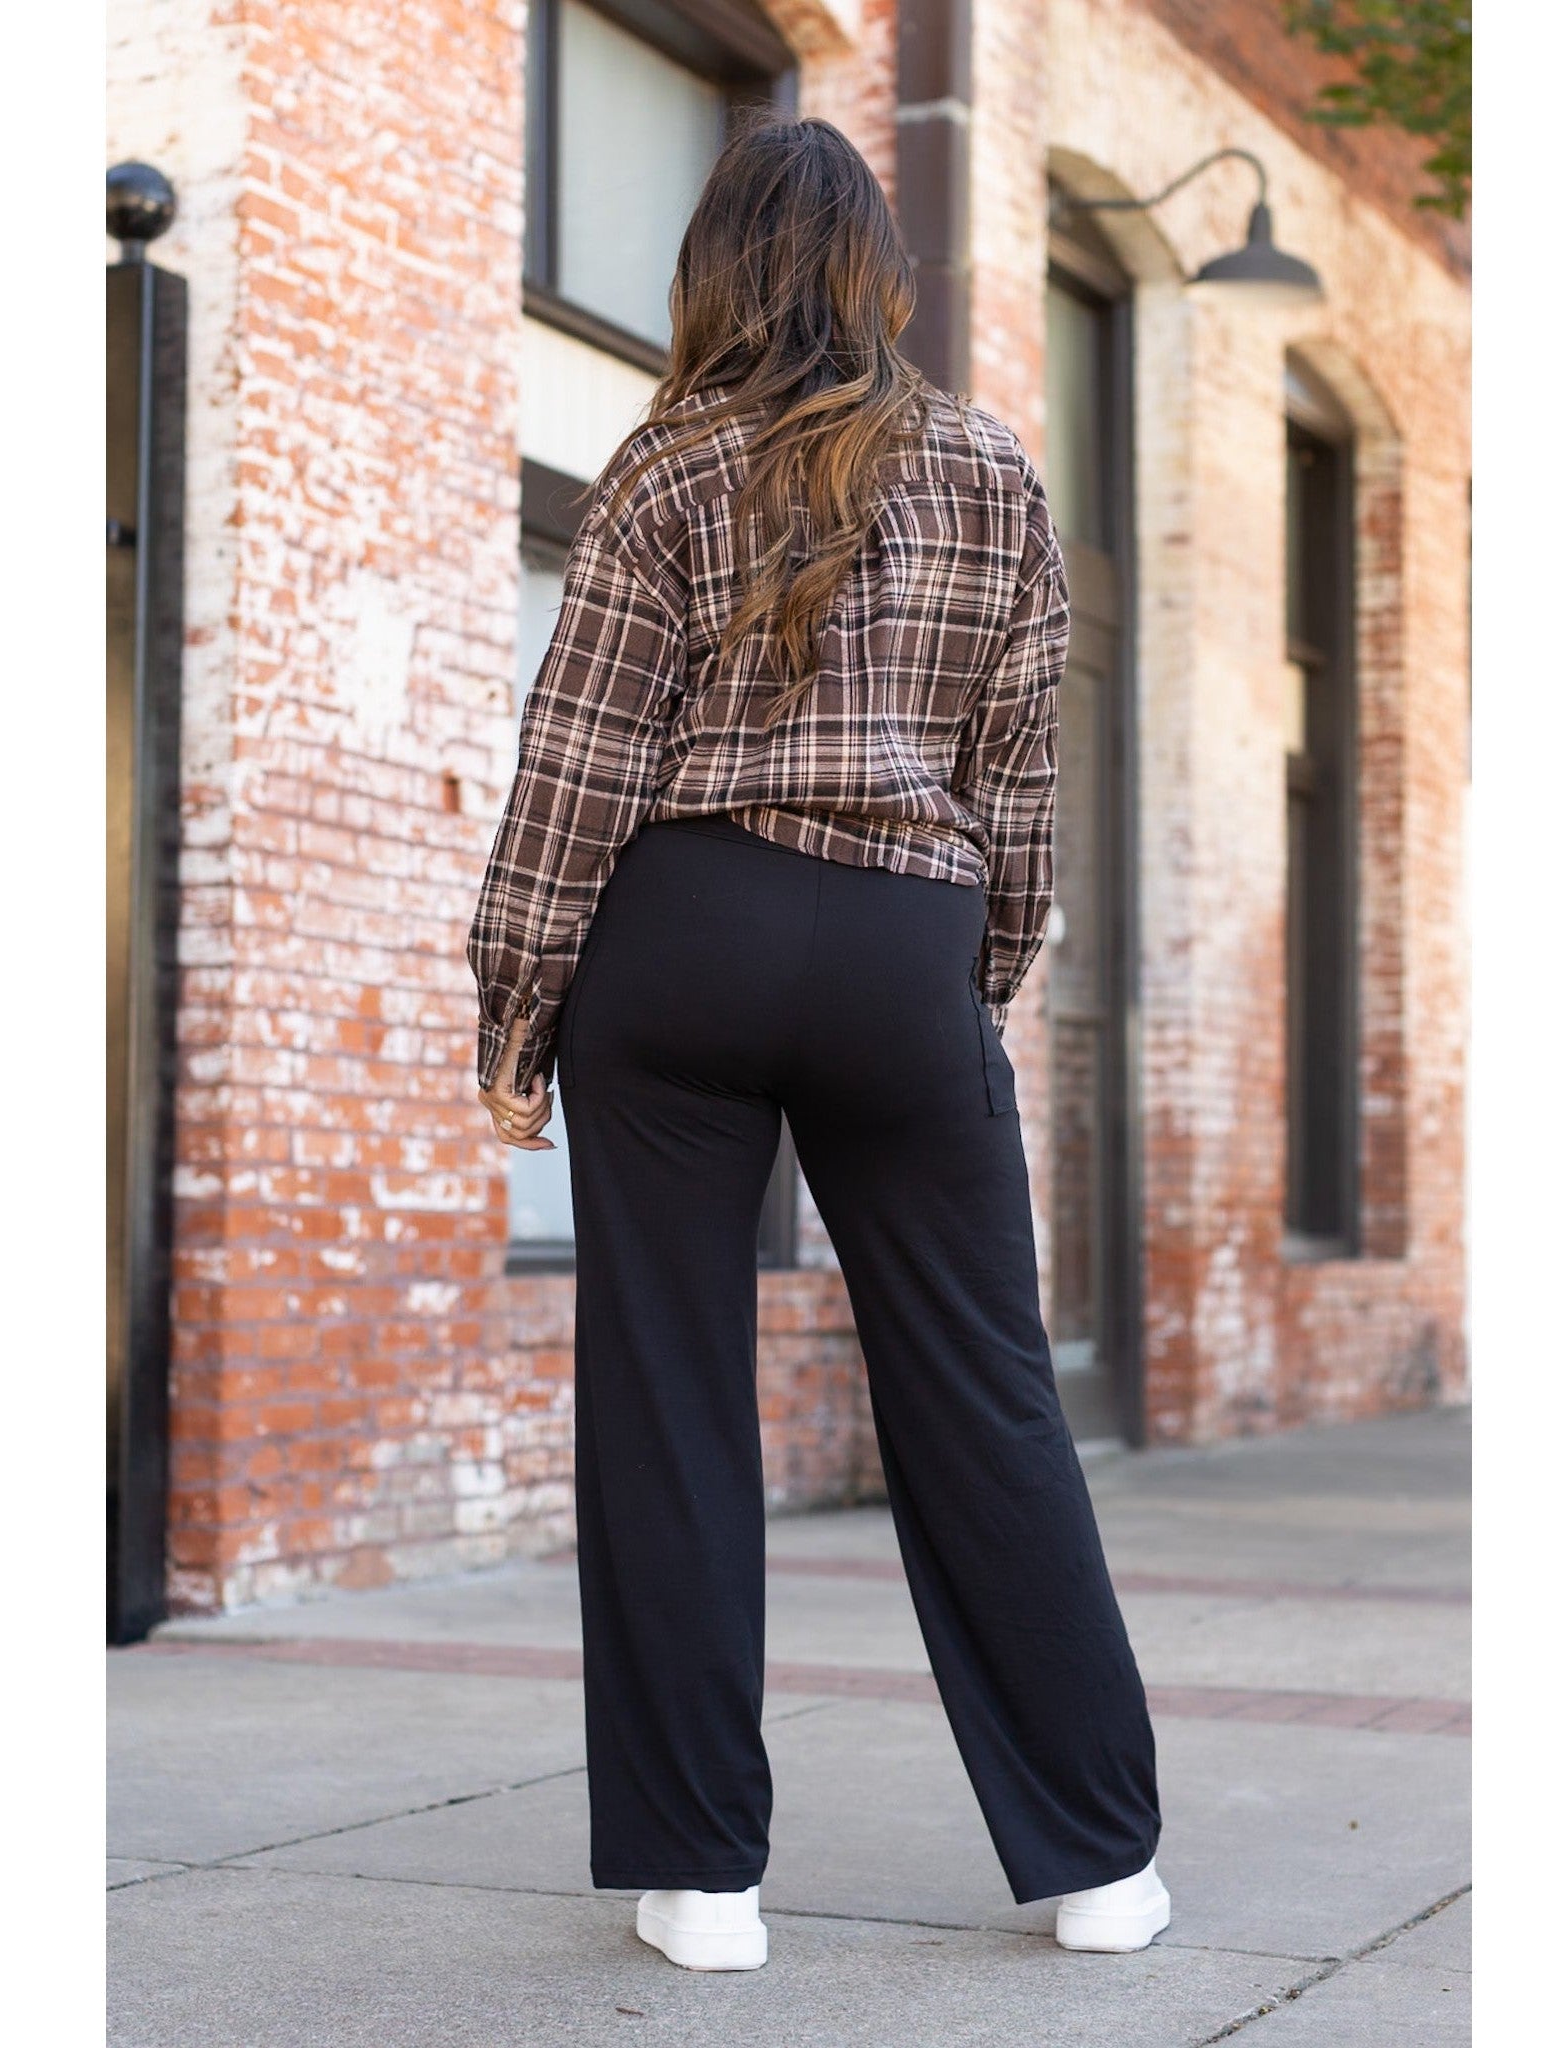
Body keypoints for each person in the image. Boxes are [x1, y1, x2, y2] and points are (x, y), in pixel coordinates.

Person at [465, 113, 1165, 1973]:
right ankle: (1100, 1865)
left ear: (713, 272)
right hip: (898, 945)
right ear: (880, 278)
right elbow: (1020, 780)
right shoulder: (993, 469)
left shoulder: (664, 461)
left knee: (669, 1396)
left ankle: (703, 1883)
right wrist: (972, 983)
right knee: (987, 1394)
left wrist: (516, 996)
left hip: (676, 943)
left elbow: (578, 758)